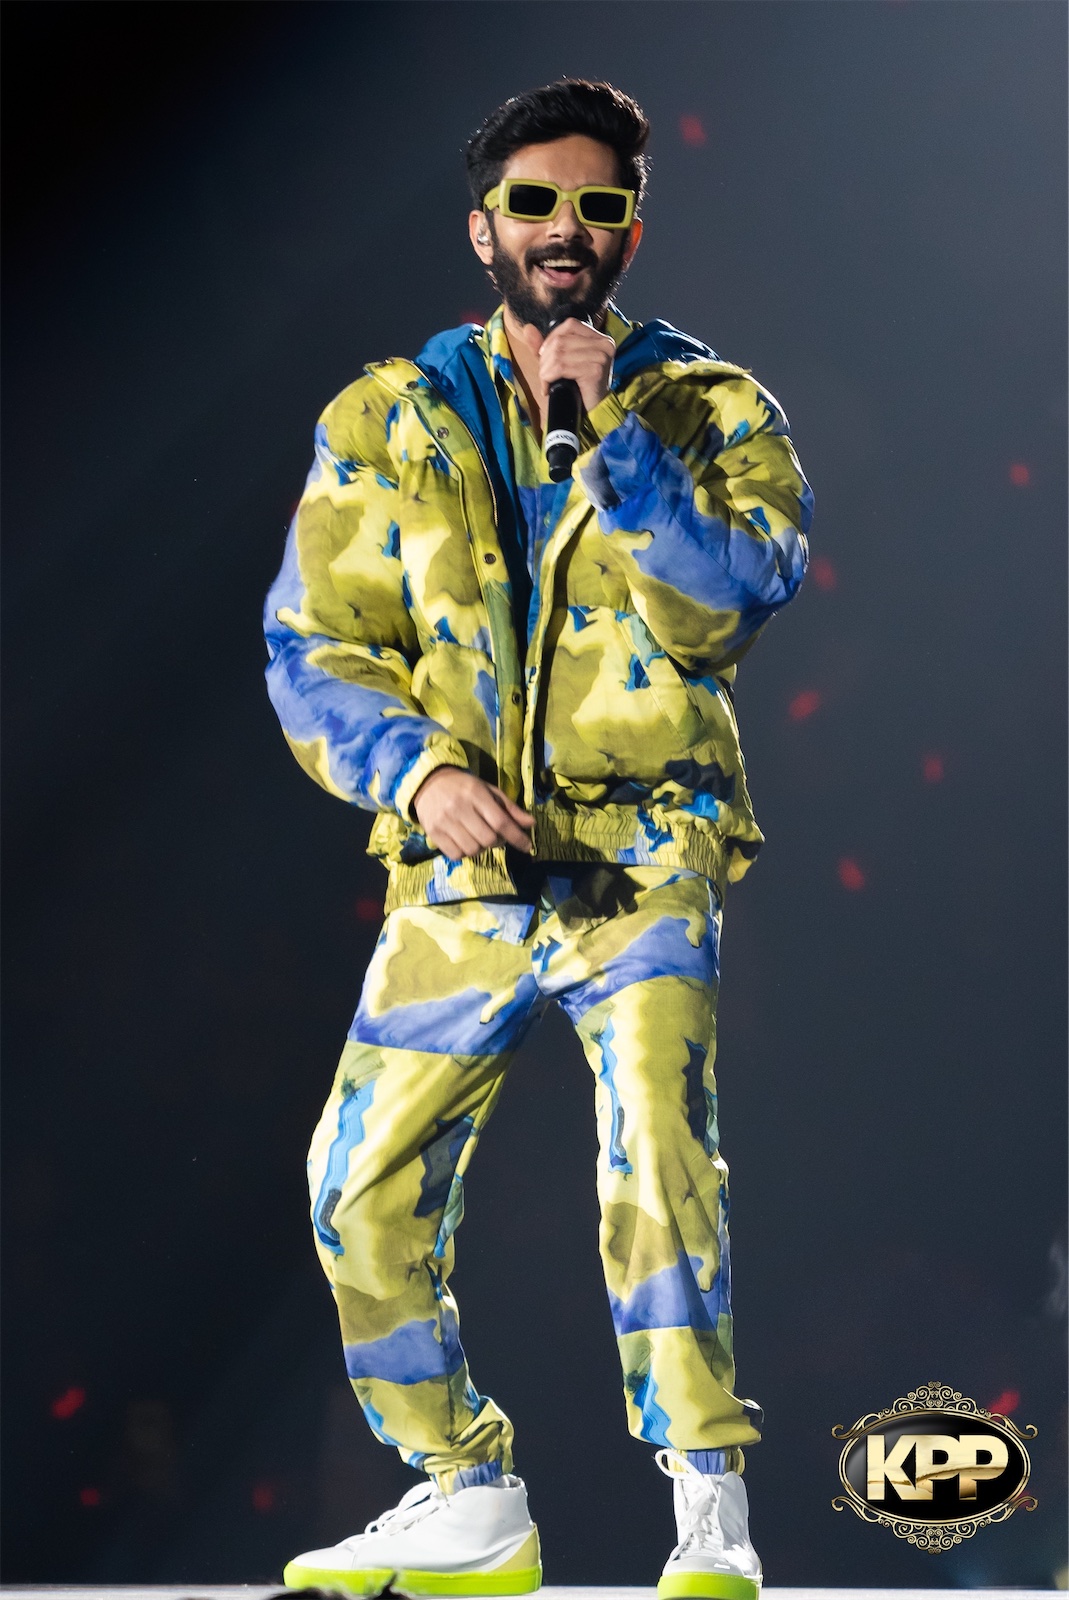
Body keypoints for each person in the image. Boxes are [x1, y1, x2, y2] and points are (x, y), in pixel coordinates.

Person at [264, 78, 811, 1599]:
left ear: (631, 228)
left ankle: (707, 1502)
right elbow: (315, 644)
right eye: (534, 201)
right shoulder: (385, 418)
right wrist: (417, 772)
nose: (564, 228)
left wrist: (611, 443)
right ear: (482, 228)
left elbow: (725, 608)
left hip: (642, 860)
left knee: (659, 1166)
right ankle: (462, 1486)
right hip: (463, 876)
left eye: (596, 204)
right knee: (357, 1189)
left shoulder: (708, 410)